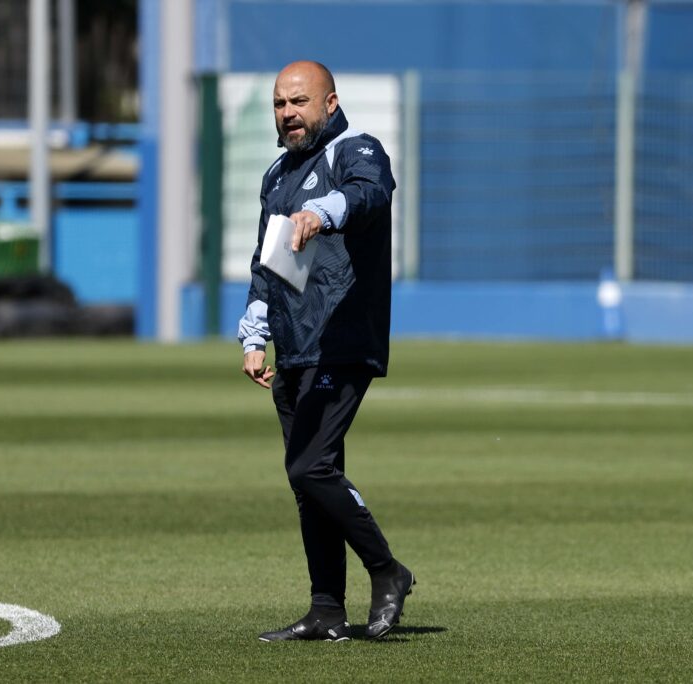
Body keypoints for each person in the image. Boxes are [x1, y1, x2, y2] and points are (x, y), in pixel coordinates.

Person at [238, 60, 415, 642]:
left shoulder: (354, 150)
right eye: (279, 105)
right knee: (310, 478)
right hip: (293, 345)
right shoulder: (277, 174)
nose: (288, 114)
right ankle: (326, 610)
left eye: (299, 102)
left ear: (330, 103)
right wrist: (256, 331)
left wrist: (323, 210)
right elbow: (269, 261)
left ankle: (388, 571)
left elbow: (372, 193)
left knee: (309, 465)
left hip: (341, 339)